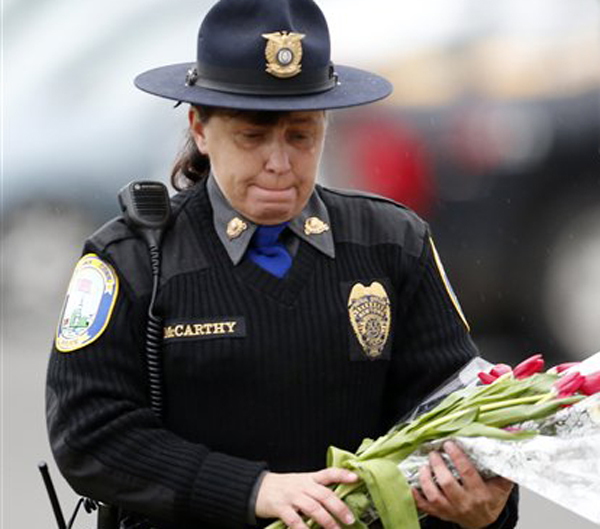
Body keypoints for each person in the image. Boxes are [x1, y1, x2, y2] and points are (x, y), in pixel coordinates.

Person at [46, 1, 518, 528]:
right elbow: (89, 434)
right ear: (200, 128)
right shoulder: (133, 259)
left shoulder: (392, 243)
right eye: (252, 135)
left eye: (301, 135)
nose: (279, 162)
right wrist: (251, 490)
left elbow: (454, 407)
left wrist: (486, 508)